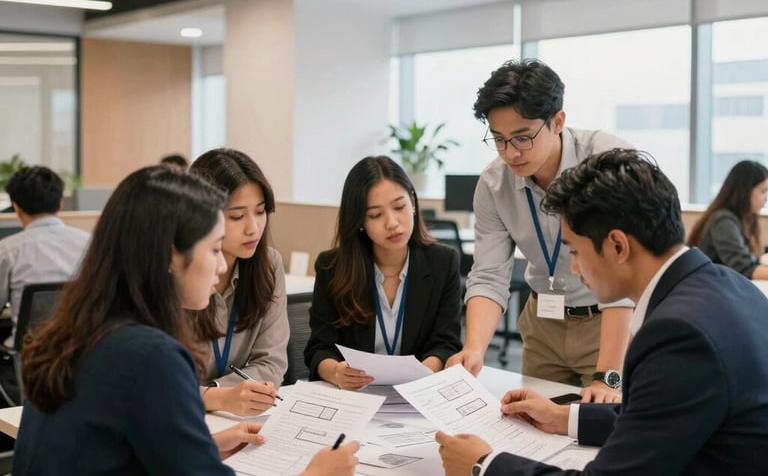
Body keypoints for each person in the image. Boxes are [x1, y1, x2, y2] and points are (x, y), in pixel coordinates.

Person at [436, 149, 768, 475]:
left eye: (576, 252)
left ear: (618, 246)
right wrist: (564, 417)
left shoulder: (679, 334)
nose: (576, 270)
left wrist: (485, 465)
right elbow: (660, 414)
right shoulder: (728, 285)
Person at [14, 165, 359, 475]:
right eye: (213, 249)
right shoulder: (151, 355)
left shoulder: (83, 328)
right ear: (169, 257)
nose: (222, 266)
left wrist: (200, 450)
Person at [447, 59, 633, 402]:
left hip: (607, 322)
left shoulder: (607, 162)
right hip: (542, 324)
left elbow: (625, 272)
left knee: (603, 427)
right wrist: (473, 350)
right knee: (535, 426)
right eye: (499, 139)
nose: (510, 153)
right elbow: (488, 274)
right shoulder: (493, 184)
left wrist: (608, 376)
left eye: (522, 137)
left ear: (557, 121)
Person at [305, 155, 462, 390]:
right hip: (356, 396)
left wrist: (423, 376)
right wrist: (337, 372)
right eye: (375, 215)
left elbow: (446, 342)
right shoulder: (333, 268)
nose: (392, 223)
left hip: (417, 397)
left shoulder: (442, 262)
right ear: (360, 221)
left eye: (399, 207)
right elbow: (319, 348)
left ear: (413, 203)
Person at [190, 148, 289, 415]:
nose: (253, 228)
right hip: (178, 418)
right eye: (237, 216)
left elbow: (271, 363)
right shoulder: (176, 274)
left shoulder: (268, 265)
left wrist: (213, 393)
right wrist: (218, 397)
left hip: (235, 417)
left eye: (260, 212)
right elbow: (157, 386)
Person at [0, 166, 90, 405]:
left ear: (16, 207)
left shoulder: (8, 250)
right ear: (60, 203)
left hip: (29, 357)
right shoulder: (91, 242)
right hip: (83, 351)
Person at [688, 160, 768, 280]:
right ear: (745, 191)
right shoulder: (723, 221)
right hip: (710, 290)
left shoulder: (742, 219)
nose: (766, 198)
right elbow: (744, 269)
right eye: (763, 191)